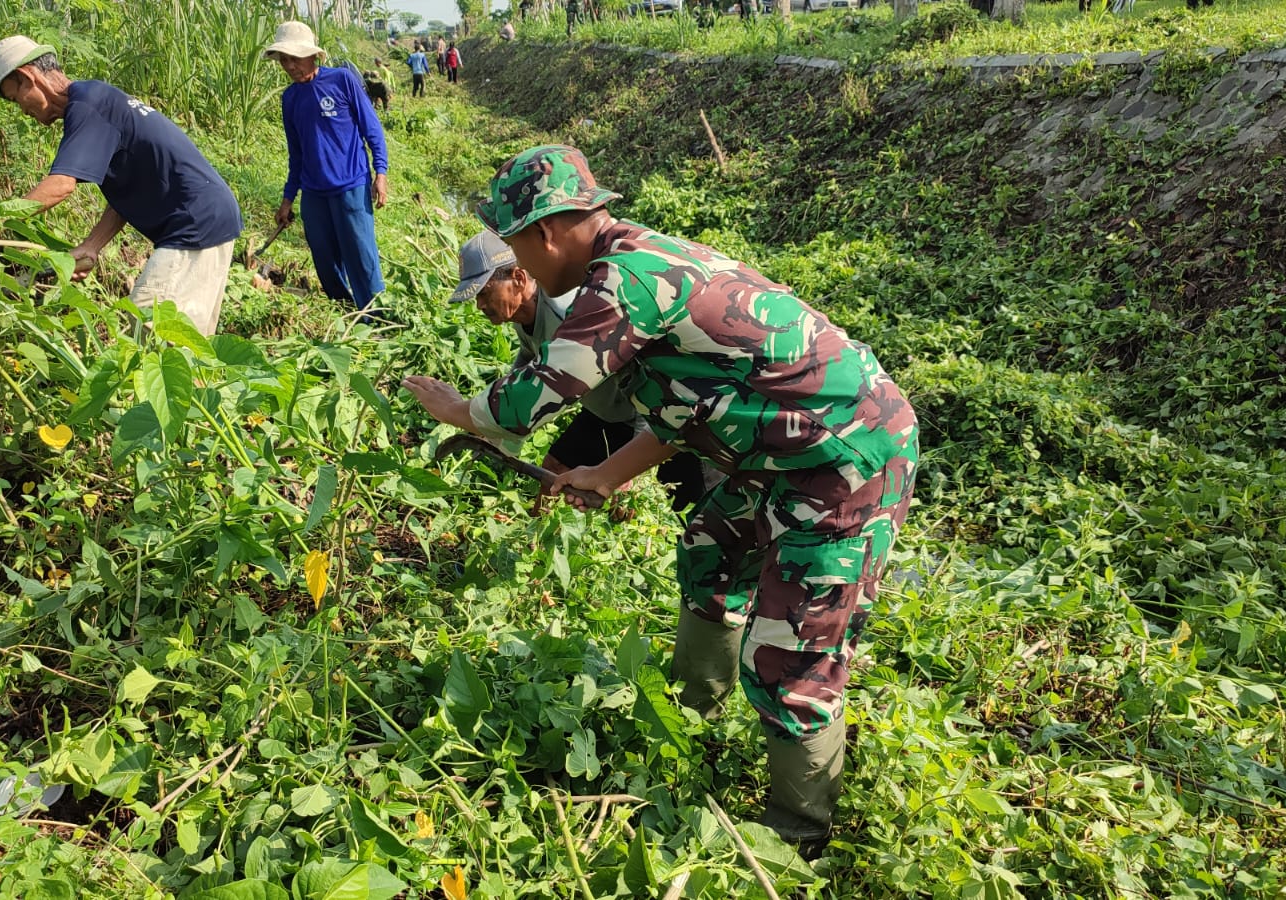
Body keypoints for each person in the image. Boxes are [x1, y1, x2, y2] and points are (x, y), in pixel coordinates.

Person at [403, 146, 918, 858]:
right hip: (781, 455)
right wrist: (609, 474)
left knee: (794, 654)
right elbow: (684, 411)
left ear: (544, 234)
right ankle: (691, 712)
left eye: (514, 240)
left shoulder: (625, 281)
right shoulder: (628, 265)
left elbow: (535, 398)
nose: (515, 255)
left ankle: (798, 838)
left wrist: (458, 409)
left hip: (845, 460)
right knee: (709, 550)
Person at [0, 36, 242, 335]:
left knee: (151, 331)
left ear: (29, 78)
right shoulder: (96, 99)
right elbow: (128, 191)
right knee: (183, 344)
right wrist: (92, 246)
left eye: (16, 99)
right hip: (204, 218)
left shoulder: (88, 106)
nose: (23, 111)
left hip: (195, 224)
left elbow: (61, 184)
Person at [450, 231, 707, 512]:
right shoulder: (520, 314)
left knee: (678, 508)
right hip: (604, 413)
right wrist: (497, 421)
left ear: (519, 279)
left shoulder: (570, 317)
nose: (480, 305)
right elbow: (529, 357)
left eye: (485, 293)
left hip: (653, 420)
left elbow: (650, 381)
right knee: (554, 471)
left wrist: (629, 473)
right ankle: (534, 545)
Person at [265, 22, 389, 314]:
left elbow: (373, 130)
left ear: (313, 56)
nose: (290, 65)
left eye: (295, 58)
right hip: (314, 195)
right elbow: (296, 155)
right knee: (325, 261)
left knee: (362, 258)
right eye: (284, 59)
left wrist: (380, 173)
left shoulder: (342, 81)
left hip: (352, 188)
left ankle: (375, 317)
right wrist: (287, 199)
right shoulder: (290, 99)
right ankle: (345, 314)